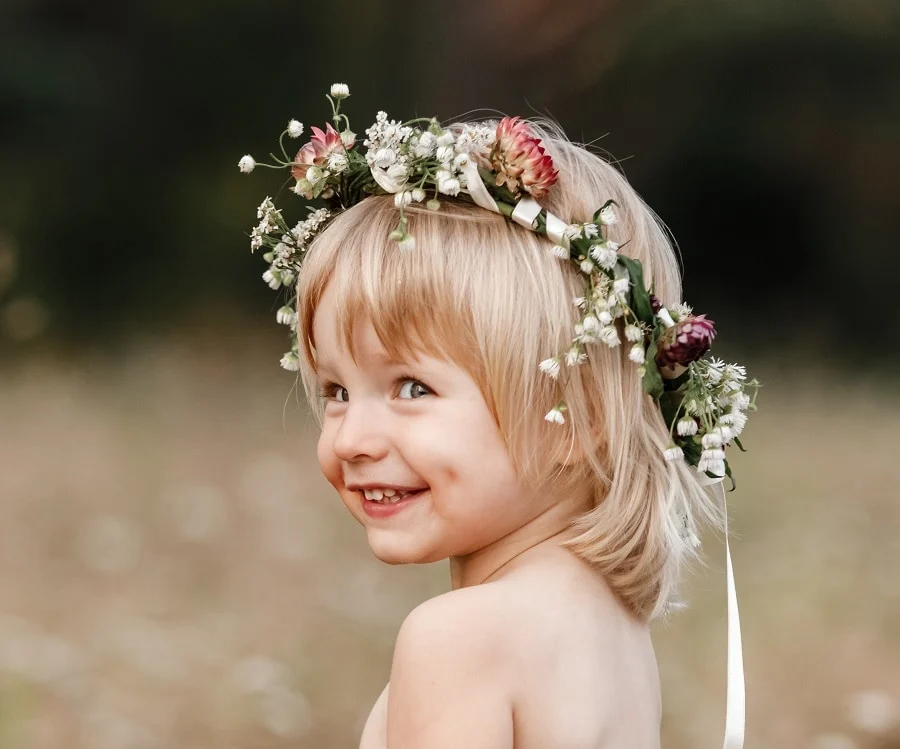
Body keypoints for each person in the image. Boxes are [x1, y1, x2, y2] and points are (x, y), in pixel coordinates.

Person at [240, 83, 758, 749]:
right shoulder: (614, 631)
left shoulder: (458, 639)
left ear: (579, 417)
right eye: (338, 390)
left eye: (411, 387)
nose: (353, 439)